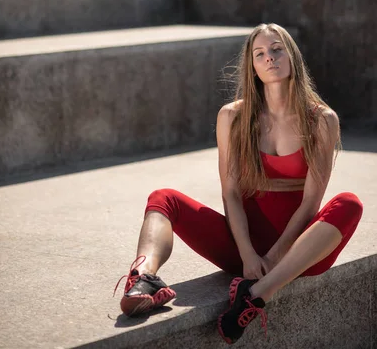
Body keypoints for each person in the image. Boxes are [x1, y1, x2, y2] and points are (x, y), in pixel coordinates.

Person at [114, 23, 363, 344]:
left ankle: (257, 294)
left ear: (293, 57)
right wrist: (247, 255)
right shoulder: (232, 117)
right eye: (260, 53)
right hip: (243, 252)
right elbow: (230, 193)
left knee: (349, 204)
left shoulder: (321, 119)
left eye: (277, 49)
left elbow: (311, 203)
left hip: (299, 255)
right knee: (164, 198)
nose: (270, 57)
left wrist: (274, 258)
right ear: (252, 66)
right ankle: (143, 278)